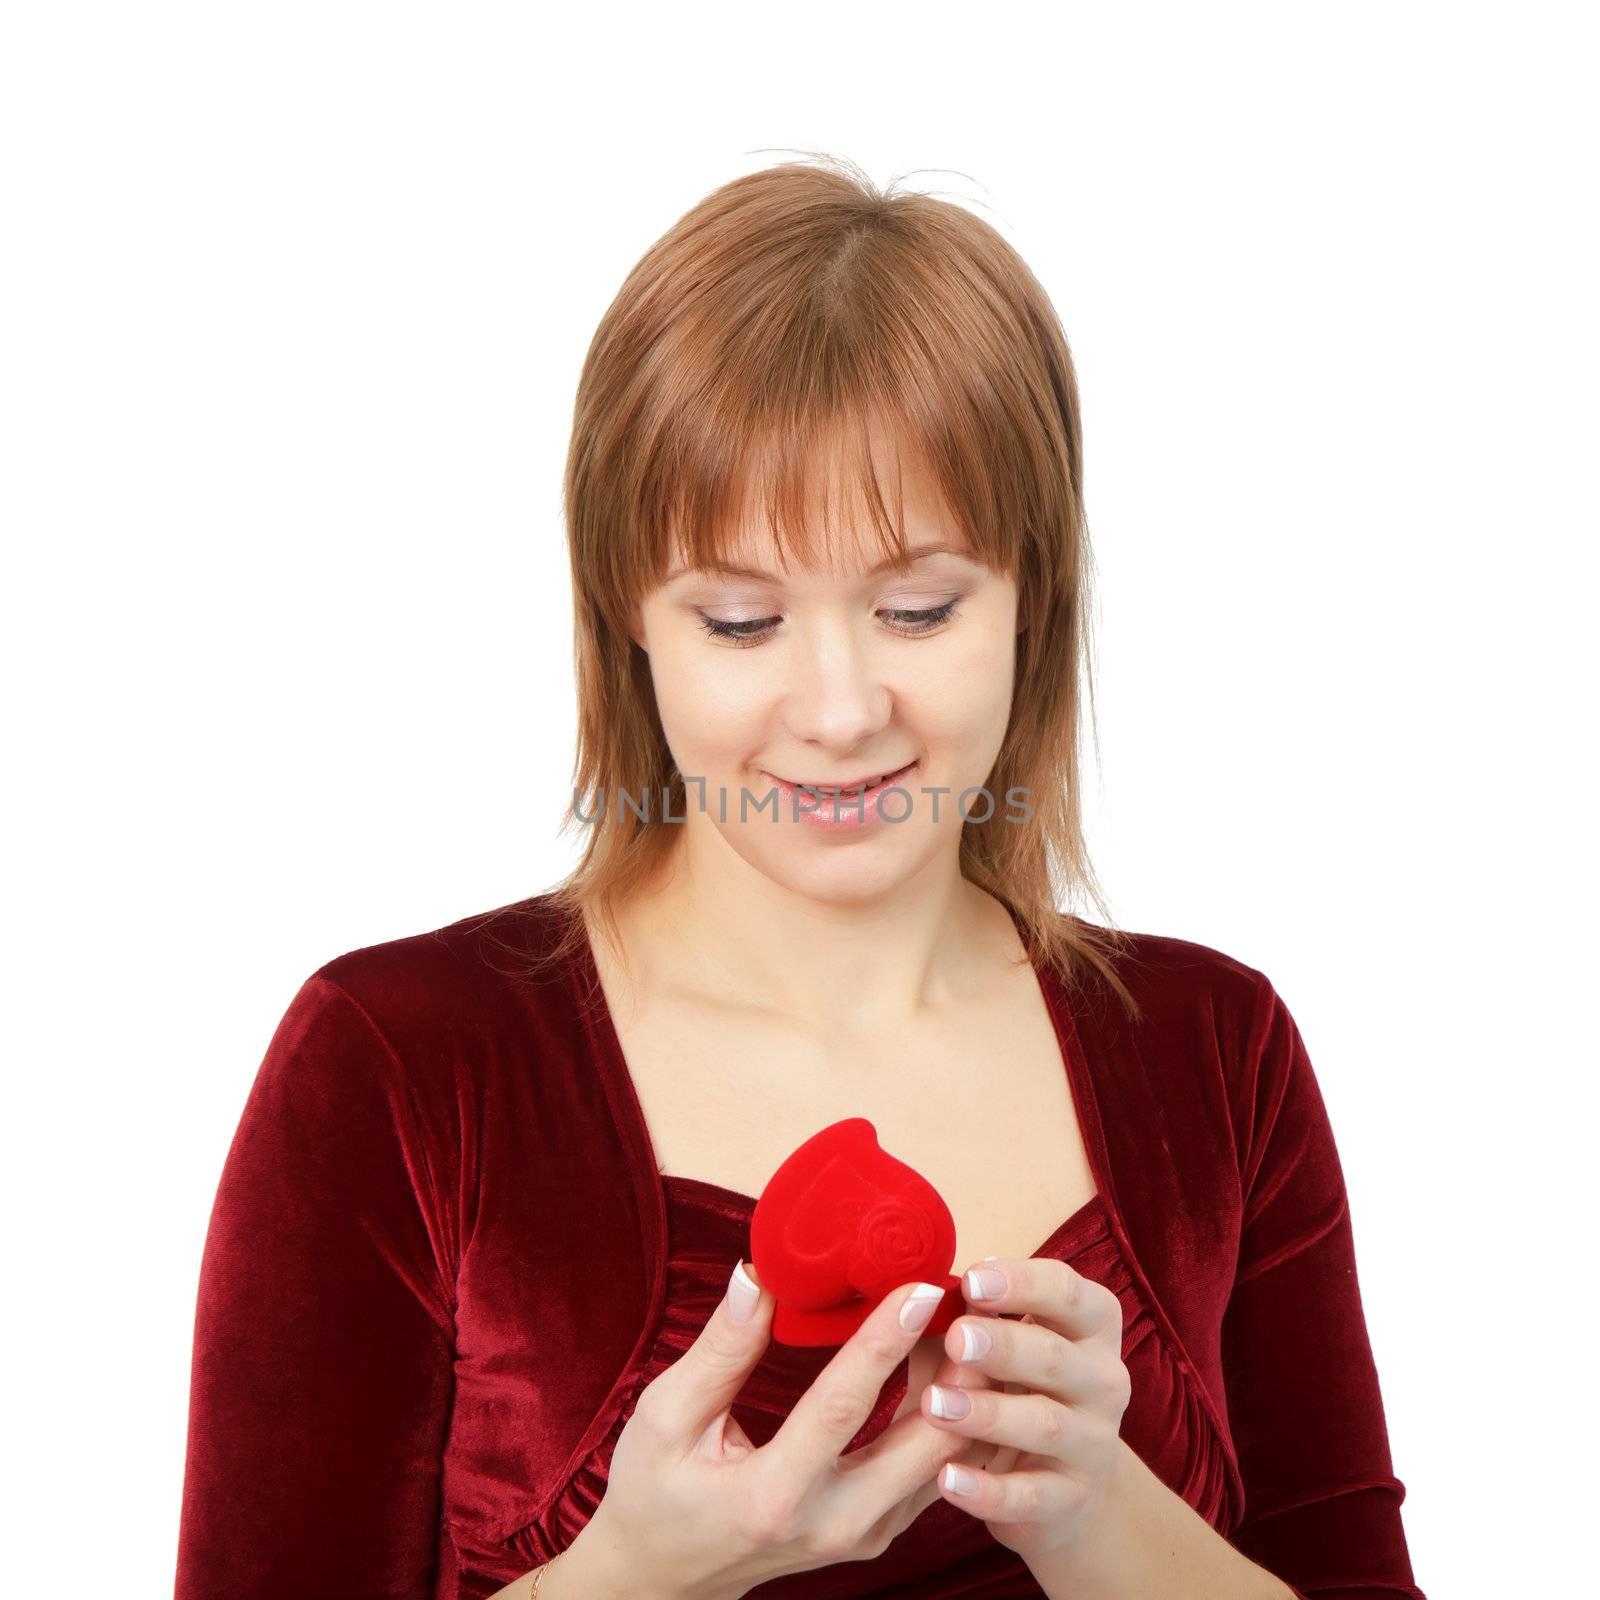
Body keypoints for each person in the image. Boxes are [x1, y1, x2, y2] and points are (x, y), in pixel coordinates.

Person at [173, 155, 1427, 1599]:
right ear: (628, 624)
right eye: (740, 618)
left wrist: (1100, 1521)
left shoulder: (1217, 1051)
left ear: (1036, 598)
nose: (838, 711)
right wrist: (634, 1575)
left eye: (916, 605)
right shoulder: (397, 1062)